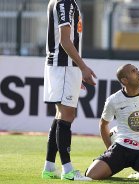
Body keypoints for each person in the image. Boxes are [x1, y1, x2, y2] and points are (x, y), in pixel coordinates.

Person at [42, 0, 96, 181]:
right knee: (67, 114)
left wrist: (77, 70)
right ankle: (68, 170)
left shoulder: (62, 2)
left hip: (65, 67)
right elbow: (65, 40)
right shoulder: (64, 2)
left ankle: (49, 167)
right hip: (64, 65)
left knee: (61, 115)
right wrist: (82, 67)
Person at [85, 64, 139, 182]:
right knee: (91, 175)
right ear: (124, 80)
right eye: (133, 71)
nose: (138, 72)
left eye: (137, 69)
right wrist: (109, 148)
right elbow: (103, 124)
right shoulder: (113, 100)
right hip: (121, 148)